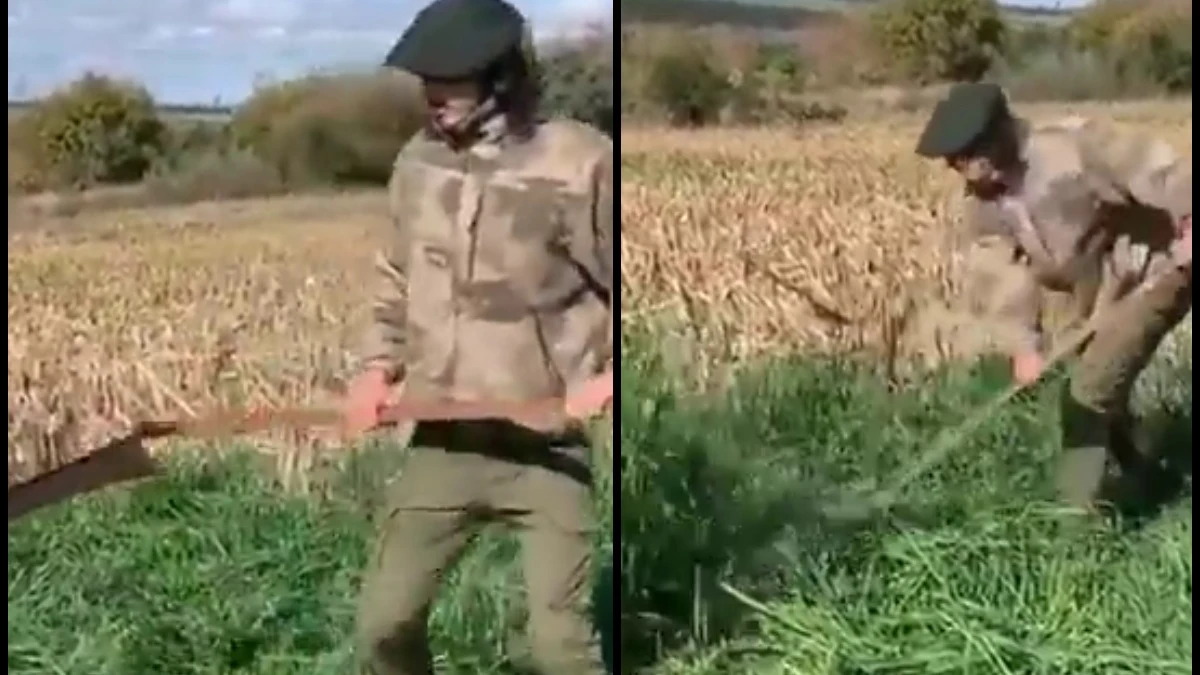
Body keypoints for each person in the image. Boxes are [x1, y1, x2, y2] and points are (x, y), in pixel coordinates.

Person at [339, 0, 614, 672]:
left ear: (500, 75)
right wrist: (378, 367)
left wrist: (608, 380)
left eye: (450, 79)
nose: (433, 96)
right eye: (425, 80)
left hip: (549, 446)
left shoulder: (580, 164)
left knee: (560, 646)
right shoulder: (419, 162)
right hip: (445, 433)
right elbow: (395, 276)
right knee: (383, 627)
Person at [915, 82, 1191, 516]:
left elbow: (1166, 172)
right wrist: (1024, 343)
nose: (953, 166)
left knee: (1086, 395)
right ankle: (1151, 478)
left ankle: (1074, 524)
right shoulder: (985, 205)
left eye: (962, 156)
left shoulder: (1078, 147)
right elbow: (1003, 275)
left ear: (993, 141)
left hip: (1151, 271)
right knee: (1095, 388)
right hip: (1086, 290)